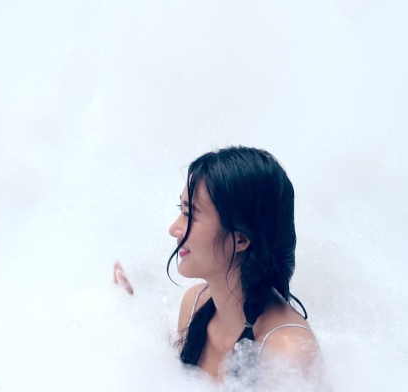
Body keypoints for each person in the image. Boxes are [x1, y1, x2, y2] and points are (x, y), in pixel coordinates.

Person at [115, 146, 323, 385]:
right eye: (181, 210)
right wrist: (129, 318)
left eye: (191, 213)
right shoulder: (195, 305)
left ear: (241, 239)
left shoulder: (289, 352)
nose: (174, 228)